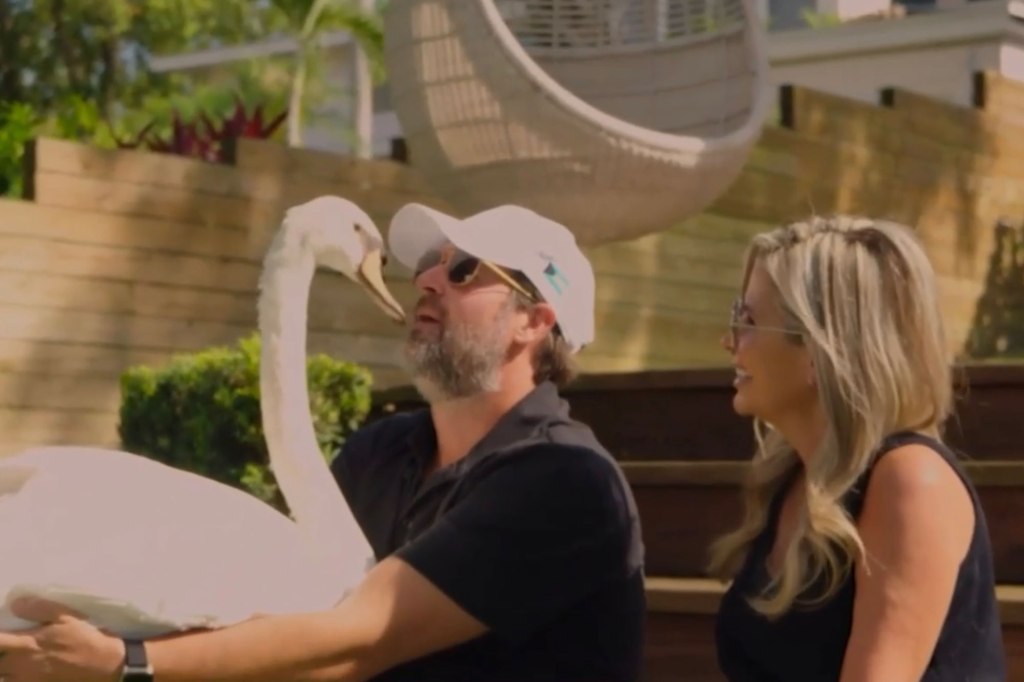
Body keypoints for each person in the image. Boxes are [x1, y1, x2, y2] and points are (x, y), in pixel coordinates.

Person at [0, 203, 646, 682]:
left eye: (465, 269)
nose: (426, 281)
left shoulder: (562, 479)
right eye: (429, 265)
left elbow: (355, 642)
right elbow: (275, 610)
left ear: (534, 321)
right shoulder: (382, 453)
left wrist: (125, 664)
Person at [710, 214, 1006, 681]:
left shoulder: (912, 482)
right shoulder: (791, 477)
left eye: (747, 321)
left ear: (818, 350)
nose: (730, 342)